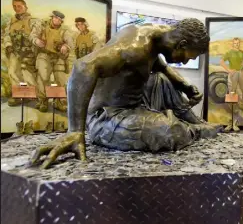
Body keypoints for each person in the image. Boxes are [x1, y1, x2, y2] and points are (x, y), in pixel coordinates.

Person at [30, 19, 221, 169]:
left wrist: (183, 85)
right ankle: (194, 130)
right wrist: (74, 132)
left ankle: (192, 121)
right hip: (107, 117)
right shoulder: (133, 48)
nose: (187, 62)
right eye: (190, 56)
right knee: (167, 131)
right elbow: (83, 67)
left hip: (133, 102)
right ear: (181, 44)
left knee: (161, 79)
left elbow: (157, 64)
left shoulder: (158, 34)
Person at [3, 0, 41, 107]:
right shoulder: (11, 21)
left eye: (19, 6)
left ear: (25, 6)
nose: (17, 8)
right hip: (14, 51)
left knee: (28, 74)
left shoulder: (33, 21)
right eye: (14, 6)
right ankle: (19, 96)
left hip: (29, 52)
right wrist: (8, 45)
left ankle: (32, 95)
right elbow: (6, 35)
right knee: (13, 72)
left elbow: (35, 36)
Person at [34, 11, 74, 112]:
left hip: (59, 56)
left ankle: (59, 102)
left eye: (60, 20)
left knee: (60, 79)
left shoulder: (64, 30)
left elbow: (71, 42)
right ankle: (43, 100)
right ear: (52, 18)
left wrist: (66, 46)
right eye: (55, 18)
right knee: (43, 77)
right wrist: (36, 41)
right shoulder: (42, 26)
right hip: (44, 54)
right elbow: (32, 35)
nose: (57, 21)